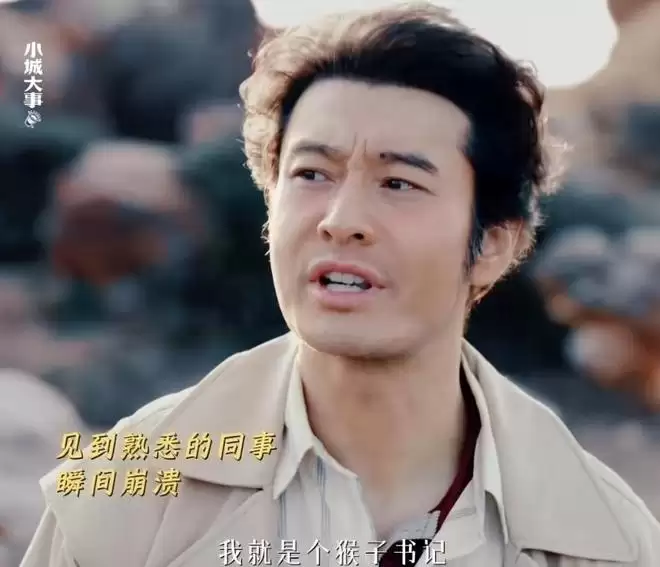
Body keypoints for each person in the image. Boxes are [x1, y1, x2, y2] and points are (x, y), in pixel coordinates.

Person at [21, 4, 660, 566]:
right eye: (311, 174)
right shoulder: (128, 493)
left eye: (399, 183)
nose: (340, 219)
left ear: (493, 245)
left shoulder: (599, 538)